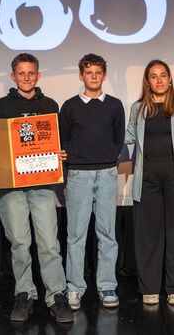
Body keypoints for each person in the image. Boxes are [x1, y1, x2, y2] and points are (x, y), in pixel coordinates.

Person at [0, 53, 73, 324]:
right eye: (21, 73)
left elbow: (58, 142)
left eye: (31, 73)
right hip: (10, 187)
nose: (26, 77)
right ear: (13, 76)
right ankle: (24, 294)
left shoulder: (50, 105)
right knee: (20, 243)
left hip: (42, 185)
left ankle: (56, 295)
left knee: (49, 243)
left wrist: (61, 154)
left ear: (38, 75)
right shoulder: (1, 106)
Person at [125, 59, 174, 306]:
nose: (159, 80)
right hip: (147, 179)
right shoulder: (138, 109)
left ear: (170, 79)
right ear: (147, 82)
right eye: (153, 76)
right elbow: (127, 138)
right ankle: (149, 288)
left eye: (163, 75)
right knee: (148, 235)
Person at [59, 53, 126, 310]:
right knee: (76, 235)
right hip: (78, 175)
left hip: (107, 173)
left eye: (98, 72)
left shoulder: (115, 105)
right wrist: (75, 160)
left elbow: (118, 139)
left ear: (104, 75)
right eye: (89, 72)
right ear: (81, 76)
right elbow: (64, 140)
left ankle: (107, 286)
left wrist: (109, 157)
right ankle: (74, 287)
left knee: (107, 234)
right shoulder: (69, 106)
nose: (94, 76)